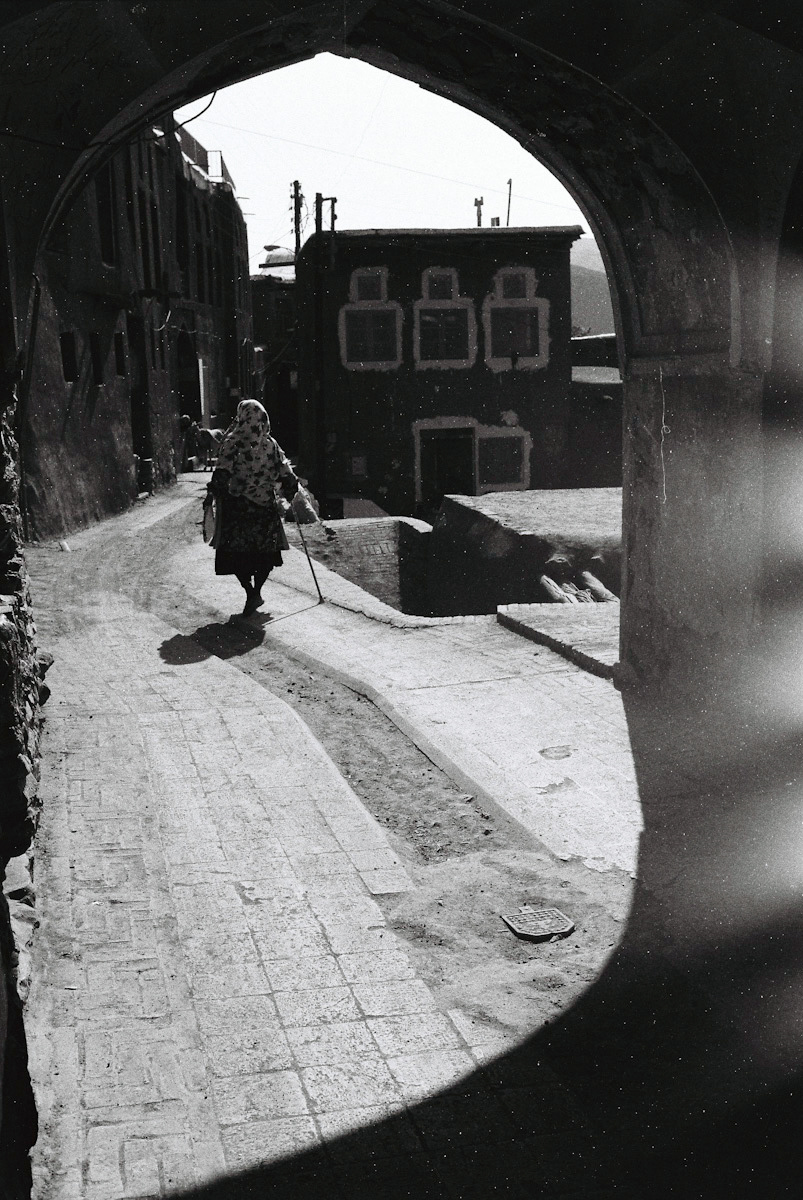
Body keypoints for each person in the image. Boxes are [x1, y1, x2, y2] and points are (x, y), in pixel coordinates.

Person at [203, 398, 300, 615]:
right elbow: (288, 475)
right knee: (264, 555)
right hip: (265, 507)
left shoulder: (232, 442)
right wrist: (290, 491)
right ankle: (256, 592)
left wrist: (212, 494)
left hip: (237, 508)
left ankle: (250, 592)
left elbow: (221, 473)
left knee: (237, 555)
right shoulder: (271, 444)